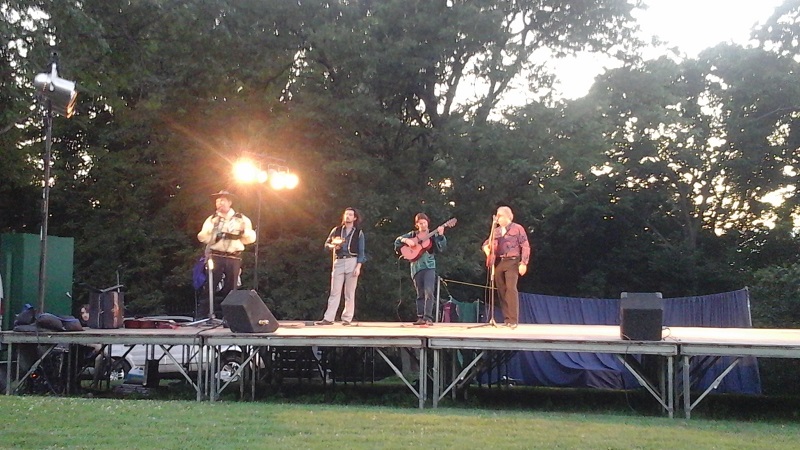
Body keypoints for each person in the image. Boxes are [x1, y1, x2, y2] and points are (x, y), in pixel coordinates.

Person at [196, 190, 256, 318]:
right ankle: (202, 315)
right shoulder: (212, 219)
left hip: (233, 256)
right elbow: (203, 237)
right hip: (216, 256)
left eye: (222, 201)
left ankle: (229, 317)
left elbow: (250, 238)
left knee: (231, 289)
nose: (219, 203)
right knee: (210, 286)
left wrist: (242, 231)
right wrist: (213, 231)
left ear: (229, 202)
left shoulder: (241, 219)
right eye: (217, 201)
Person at [394, 213, 447, 326]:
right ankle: (420, 317)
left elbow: (442, 247)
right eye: (420, 223)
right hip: (416, 267)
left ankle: (428, 317)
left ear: (428, 223)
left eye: (425, 222)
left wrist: (441, 236)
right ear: (417, 225)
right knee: (420, 293)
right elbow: (397, 241)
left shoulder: (432, 235)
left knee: (429, 292)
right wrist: (406, 240)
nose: (423, 225)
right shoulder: (412, 234)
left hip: (429, 266)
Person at [316, 207, 366, 325]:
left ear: (354, 218)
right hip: (339, 261)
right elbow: (326, 244)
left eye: (350, 215)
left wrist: (358, 266)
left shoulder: (358, 233)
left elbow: (362, 251)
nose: (347, 216)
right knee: (335, 291)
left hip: (352, 260)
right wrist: (333, 246)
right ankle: (328, 318)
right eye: (346, 214)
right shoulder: (337, 230)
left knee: (349, 292)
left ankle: (347, 318)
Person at [482, 206, 530, 328]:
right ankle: (507, 318)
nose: (498, 219)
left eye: (500, 216)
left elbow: (525, 245)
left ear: (507, 216)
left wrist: (524, 263)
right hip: (501, 261)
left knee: (511, 288)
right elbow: (486, 244)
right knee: (501, 288)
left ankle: (513, 319)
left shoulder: (517, 228)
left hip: (513, 261)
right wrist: (486, 249)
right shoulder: (496, 231)